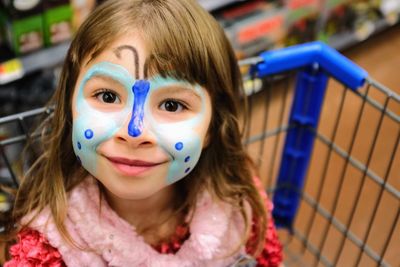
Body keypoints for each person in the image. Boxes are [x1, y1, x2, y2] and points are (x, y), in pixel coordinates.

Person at [2, 0, 283, 266]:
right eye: (108, 96)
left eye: (172, 105)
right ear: (70, 108)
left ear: (212, 126)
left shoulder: (240, 206)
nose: (134, 132)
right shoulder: (47, 248)